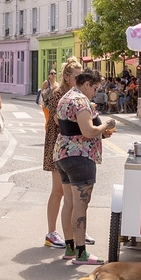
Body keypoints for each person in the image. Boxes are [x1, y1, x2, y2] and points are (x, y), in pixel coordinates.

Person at [55, 69, 115, 265]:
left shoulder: (66, 97)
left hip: (63, 154)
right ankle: (81, 253)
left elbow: (60, 121)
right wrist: (104, 126)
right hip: (80, 155)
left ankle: (70, 248)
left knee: (69, 203)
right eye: (95, 88)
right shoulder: (81, 101)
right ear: (87, 83)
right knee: (81, 205)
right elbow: (88, 131)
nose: (94, 93)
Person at [43, 58, 81, 250]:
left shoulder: (77, 93)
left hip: (72, 146)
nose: (80, 79)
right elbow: (59, 121)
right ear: (67, 77)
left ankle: (74, 231)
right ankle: (51, 233)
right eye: (77, 76)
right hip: (58, 145)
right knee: (58, 191)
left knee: (73, 193)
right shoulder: (59, 95)